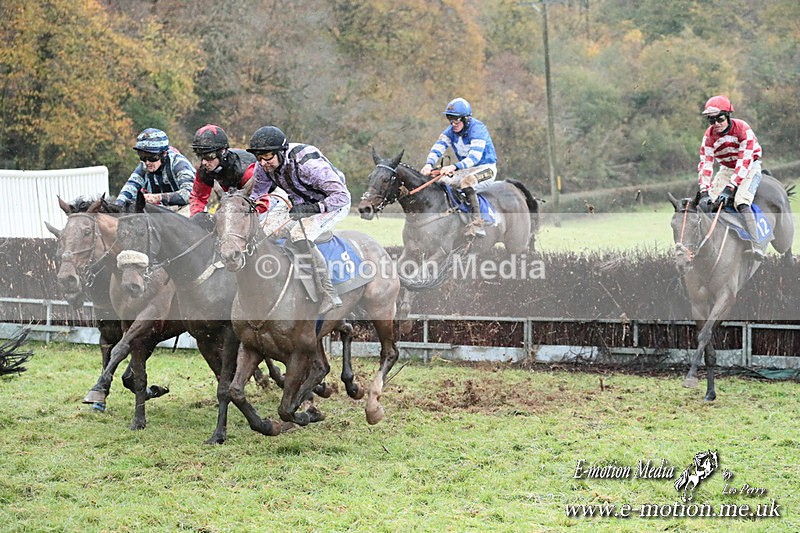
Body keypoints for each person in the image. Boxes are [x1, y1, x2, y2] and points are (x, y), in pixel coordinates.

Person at [247, 125, 351, 314]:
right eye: (259, 158)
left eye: (267, 157)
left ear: (280, 152)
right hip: (299, 200)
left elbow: (341, 196)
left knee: (298, 235)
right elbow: (257, 195)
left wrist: (312, 209)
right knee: (264, 231)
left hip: (332, 202)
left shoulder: (308, 165)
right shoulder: (263, 166)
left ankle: (328, 292)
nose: (263, 163)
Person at [697, 95, 765, 260]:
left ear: (728, 115)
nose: (716, 124)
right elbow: (706, 163)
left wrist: (730, 187)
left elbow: (744, 162)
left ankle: (757, 246)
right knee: (708, 203)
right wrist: (704, 190)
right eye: (711, 121)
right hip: (727, 168)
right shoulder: (709, 136)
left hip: (749, 166)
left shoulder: (742, 128)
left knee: (740, 200)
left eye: (719, 119)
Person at [420, 97, 497, 237]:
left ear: (466, 119)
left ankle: (477, 223)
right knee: (441, 180)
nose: (453, 123)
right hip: (466, 169)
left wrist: (454, 167)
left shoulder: (478, 129)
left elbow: (475, 158)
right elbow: (438, 147)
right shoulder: (450, 131)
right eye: (450, 118)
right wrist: (428, 164)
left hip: (486, 168)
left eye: (456, 119)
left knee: (466, 182)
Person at [115, 128, 195, 215]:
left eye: (152, 157)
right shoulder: (144, 166)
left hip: (186, 208)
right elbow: (129, 188)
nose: (147, 162)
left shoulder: (179, 164)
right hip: (164, 211)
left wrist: (158, 197)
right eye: (143, 157)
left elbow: (189, 195)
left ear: (163, 154)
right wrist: (116, 208)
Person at [188, 124, 257, 217]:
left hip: (268, 196)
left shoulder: (246, 171)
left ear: (222, 152)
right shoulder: (203, 170)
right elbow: (198, 197)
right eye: (200, 156)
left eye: (209, 156)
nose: (204, 162)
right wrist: (197, 216)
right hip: (232, 201)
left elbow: (260, 201)